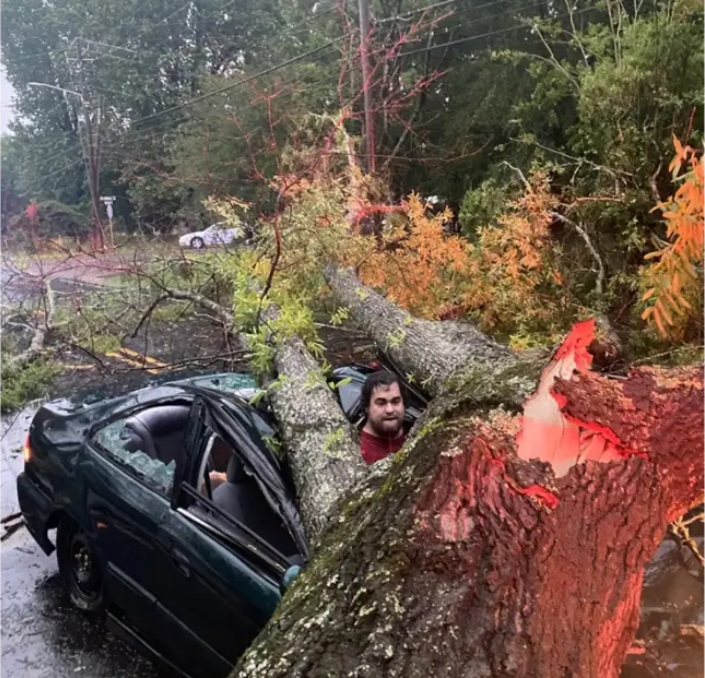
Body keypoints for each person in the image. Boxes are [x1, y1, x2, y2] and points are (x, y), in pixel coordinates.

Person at [359, 370, 406, 465]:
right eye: (381, 403)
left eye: (395, 401)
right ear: (367, 407)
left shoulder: (420, 431)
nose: (390, 410)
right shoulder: (359, 451)